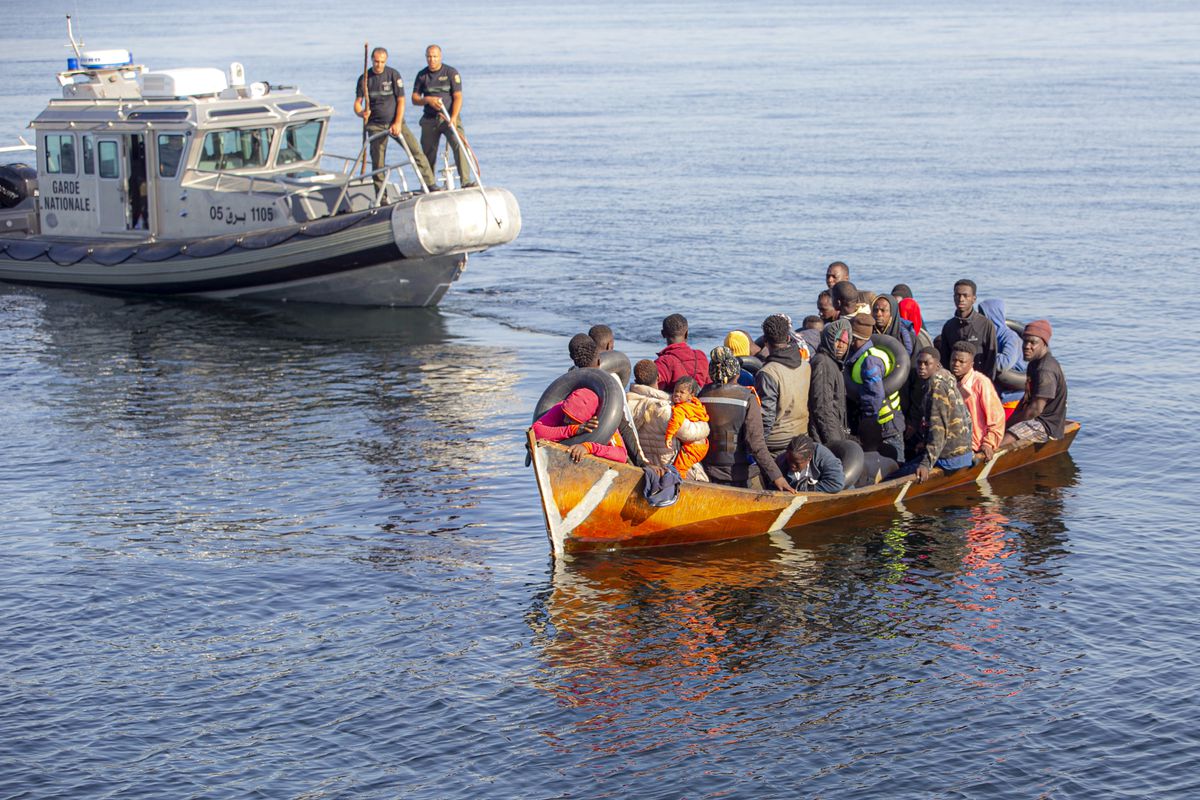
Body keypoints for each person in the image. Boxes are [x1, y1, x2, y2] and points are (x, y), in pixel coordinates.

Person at [699, 347, 792, 492]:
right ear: (737, 374)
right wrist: (777, 476)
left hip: (707, 469)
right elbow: (756, 444)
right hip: (738, 474)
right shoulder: (747, 398)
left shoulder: (702, 395)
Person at [354, 47, 436, 192]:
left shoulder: (393, 75)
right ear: (372, 60)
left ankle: (430, 183)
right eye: (376, 61)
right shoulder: (364, 78)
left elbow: (401, 100)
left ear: (386, 61)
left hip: (395, 122)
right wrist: (361, 113)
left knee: (415, 150)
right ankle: (381, 195)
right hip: (375, 125)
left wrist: (397, 122)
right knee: (378, 161)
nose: (379, 65)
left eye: (382, 62)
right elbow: (357, 103)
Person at [897, 349, 974, 483]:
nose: (922, 367)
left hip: (950, 458)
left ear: (937, 365)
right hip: (964, 453)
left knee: (895, 475)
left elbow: (938, 428)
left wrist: (926, 463)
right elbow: (967, 417)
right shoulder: (947, 377)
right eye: (919, 363)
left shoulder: (936, 386)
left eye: (927, 364)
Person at [411, 45, 474, 188]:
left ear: (440, 57)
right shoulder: (422, 75)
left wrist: (453, 117)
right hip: (429, 119)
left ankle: (466, 181)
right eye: (429, 57)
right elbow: (414, 98)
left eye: (434, 57)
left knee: (459, 145)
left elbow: (458, 97)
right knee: (427, 152)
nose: (431, 60)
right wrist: (427, 100)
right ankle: (428, 184)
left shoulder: (451, 73)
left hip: (449, 117)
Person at [846, 313, 905, 460]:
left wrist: (869, 423)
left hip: (884, 425)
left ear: (855, 338)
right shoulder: (876, 351)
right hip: (891, 420)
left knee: (892, 465)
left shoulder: (869, 361)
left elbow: (875, 394)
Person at [1001, 320, 1068, 448]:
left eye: (1033, 342)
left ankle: (983, 459)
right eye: (1025, 341)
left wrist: (1010, 426)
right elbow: (1027, 399)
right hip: (1037, 418)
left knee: (1005, 439)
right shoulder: (1034, 363)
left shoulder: (1045, 369)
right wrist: (1007, 422)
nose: (1027, 346)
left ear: (1044, 344)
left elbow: (1035, 410)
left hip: (1047, 424)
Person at [755, 313, 811, 455]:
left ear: (765, 341)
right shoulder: (805, 365)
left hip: (776, 440)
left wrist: (756, 448)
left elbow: (766, 417)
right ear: (788, 338)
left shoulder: (768, 372)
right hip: (801, 434)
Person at [532, 388, 627, 464]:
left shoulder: (601, 421)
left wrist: (589, 447)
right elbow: (535, 431)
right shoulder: (561, 408)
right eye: (566, 415)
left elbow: (621, 455)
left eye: (571, 419)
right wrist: (573, 429)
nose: (565, 420)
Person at [949, 341, 1005, 460]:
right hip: (954, 442)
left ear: (971, 364)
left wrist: (988, 443)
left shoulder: (981, 383)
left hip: (976, 444)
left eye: (961, 362)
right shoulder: (949, 381)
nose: (956, 364)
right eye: (954, 360)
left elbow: (997, 418)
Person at [938, 279, 998, 379]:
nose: (961, 299)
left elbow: (991, 359)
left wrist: (987, 383)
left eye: (965, 296)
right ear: (953, 297)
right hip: (955, 382)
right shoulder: (949, 326)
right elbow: (945, 358)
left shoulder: (985, 324)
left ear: (974, 299)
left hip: (977, 381)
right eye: (958, 295)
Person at [808, 317, 852, 445]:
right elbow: (822, 407)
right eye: (837, 340)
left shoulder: (834, 363)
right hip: (823, 436)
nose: (841, 346)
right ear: (828, 339)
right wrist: (834, 443)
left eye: (845, 342)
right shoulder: (823, 363)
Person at [626, 360, 677, 470]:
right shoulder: (663, 408)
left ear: (636, 380)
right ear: (658, 377)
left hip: (641, 464)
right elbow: (690, 433)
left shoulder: (626, 403)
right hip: (665, 466)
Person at [977, 299, 1027, 410]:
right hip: (994, 394)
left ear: (992, 315)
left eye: (983, 314)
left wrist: (983, 355)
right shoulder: (987, 336)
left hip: (1012, 396)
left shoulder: (1009, 337)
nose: (980, 318)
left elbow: (1004, 363)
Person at [665, 376, 710, 479]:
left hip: (692, 448)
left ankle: (682, 489)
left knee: (679, 469)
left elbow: (675, 422)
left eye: (682, 392)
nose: (677, 394)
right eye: (675, 391)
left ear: (691, 395)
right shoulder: (696, 404)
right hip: (703, 445)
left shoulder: (680, 409)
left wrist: (669, 436)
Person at [654, 313, 710, 393]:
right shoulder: (701, 356)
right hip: (700, 404)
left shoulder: (662, 363)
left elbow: (654, 391)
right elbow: (709, 384)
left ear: (663, 334)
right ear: (686, 334)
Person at [775, 434, 845, 493]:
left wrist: (807, 489)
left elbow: (837, 483)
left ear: (809, 458)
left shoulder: (823, 456)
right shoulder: (781, 461)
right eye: (789, 460)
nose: (792, 465)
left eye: (797, 463)